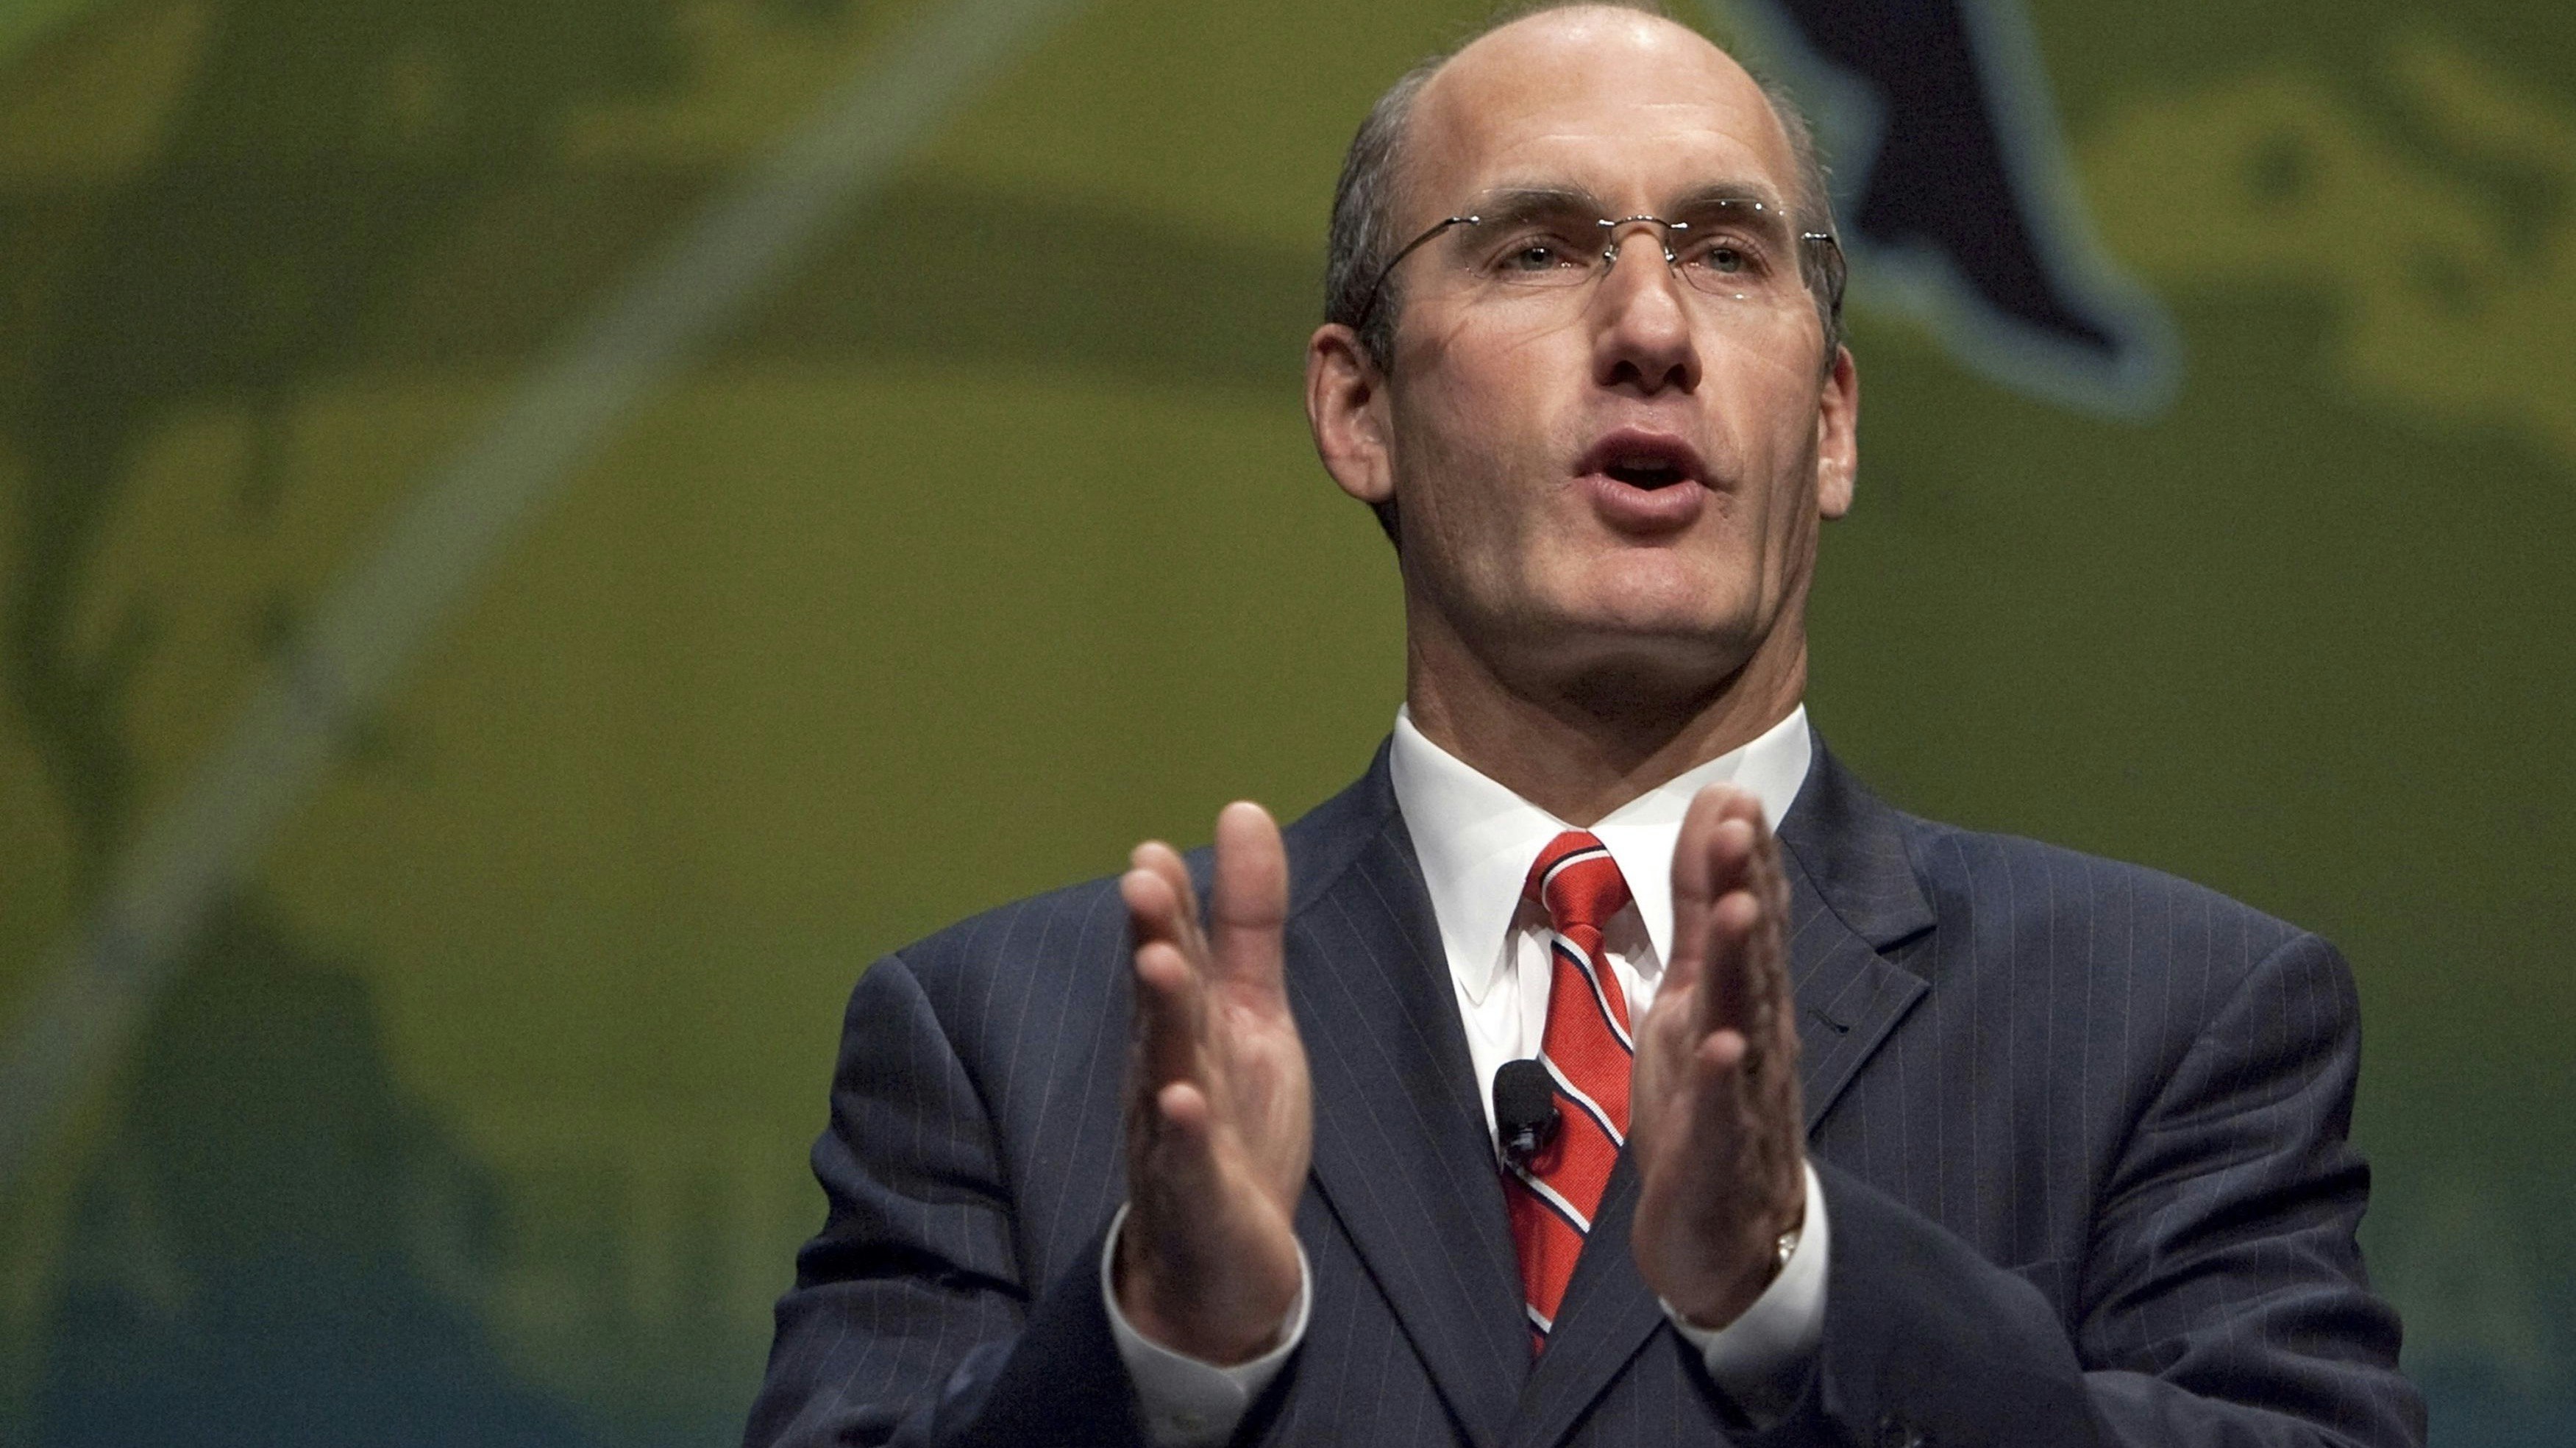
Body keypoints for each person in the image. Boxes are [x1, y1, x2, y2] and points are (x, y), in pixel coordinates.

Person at [741, 4, 2425, 1445]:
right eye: (1537, 249)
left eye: (1725, 254)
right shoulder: (999, 1040)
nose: (1646, 330)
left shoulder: (2170, 1024)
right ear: (1355, 406)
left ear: (1828, 425)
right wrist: (1151, 1354)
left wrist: (1802, 1285)